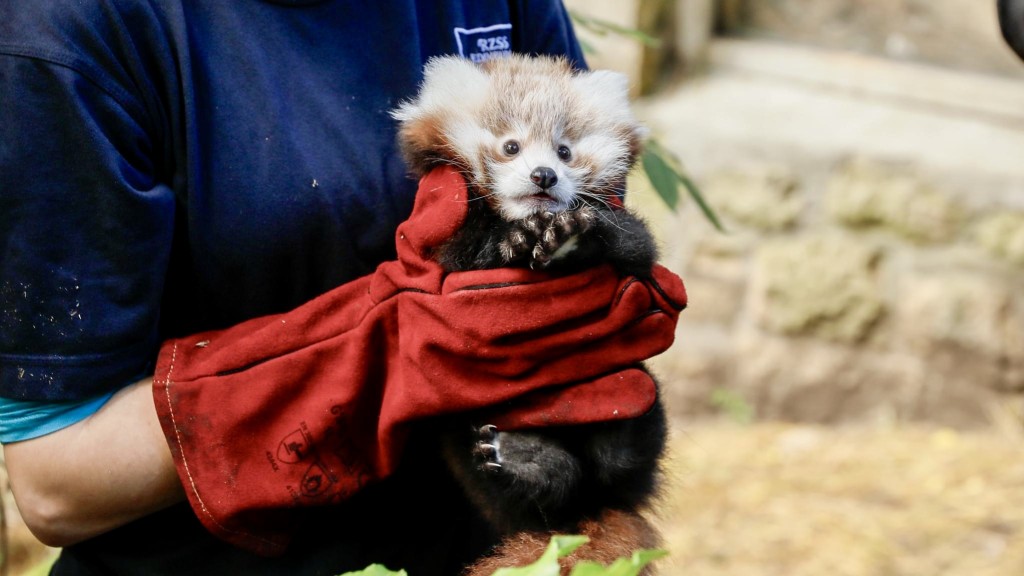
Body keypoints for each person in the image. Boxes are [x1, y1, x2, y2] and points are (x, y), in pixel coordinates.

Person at [0, 1, 684, 574]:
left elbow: (594, 225)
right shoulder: (64, 33)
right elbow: (57, 486)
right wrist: (380, 359)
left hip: (498, 537)